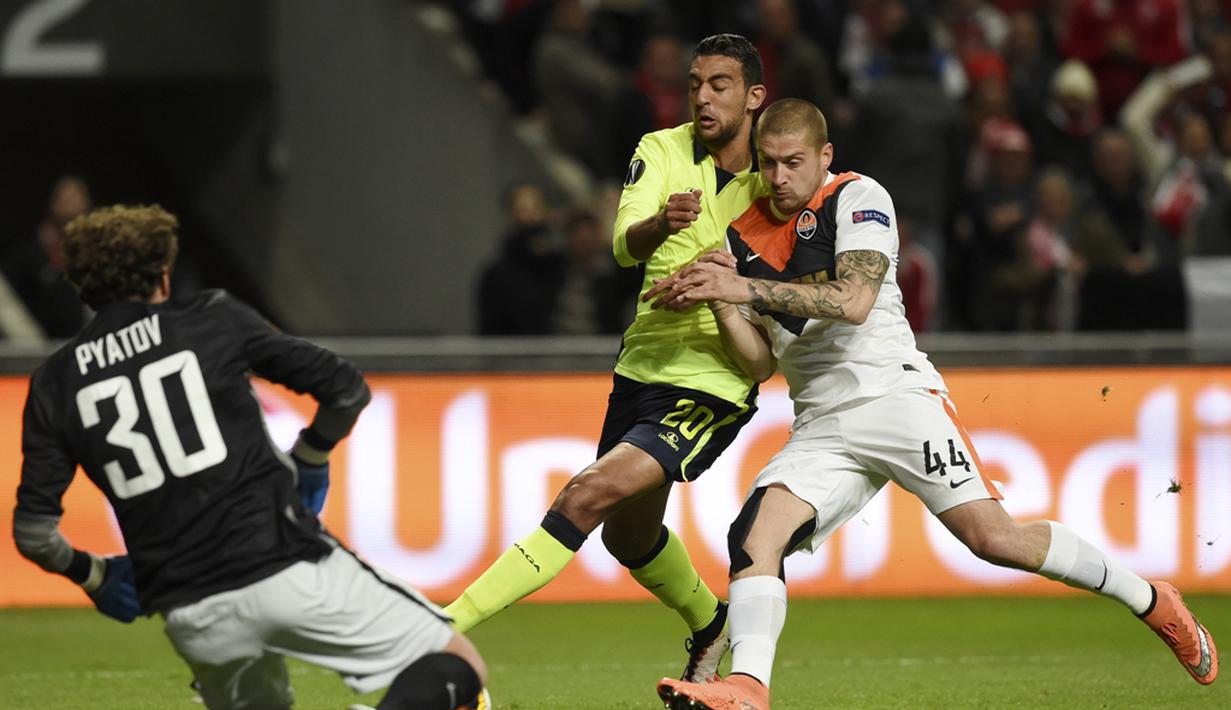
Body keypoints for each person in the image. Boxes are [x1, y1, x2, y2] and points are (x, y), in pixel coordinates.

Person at [650, 99, 1219, 710]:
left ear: (825, 157)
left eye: (794, 162)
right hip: (819, 420)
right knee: (753, 535)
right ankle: (748, 689)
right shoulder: (743, 233)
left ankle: (1153, 600)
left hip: (894, 396)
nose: (781, 176)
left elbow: (856, 300)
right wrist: (720, 300)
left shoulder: (858, 198)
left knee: (994, 539)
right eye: (769, 163)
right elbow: (761, 363)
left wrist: (741, 285)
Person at [12, 205, 489, 710]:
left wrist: (95, 576)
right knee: (455, 663)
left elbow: (35, 534)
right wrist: (308, 459)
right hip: (283, 561)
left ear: (80, 284)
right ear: (163, 274)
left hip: (189, 612)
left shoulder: (54, 383)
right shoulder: (210, 318)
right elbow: (345, 390)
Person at [444, 34, 768, 682]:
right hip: (640, 366)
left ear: (755, 95)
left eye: (720, 85)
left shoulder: (774, 183)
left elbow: (774, 309)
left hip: (709, 382)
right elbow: (624, 244)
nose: (702, 96)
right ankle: (711, 622)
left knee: (583, 496)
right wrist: (661, 227)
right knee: (627, 537)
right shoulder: (661, 148)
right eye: (695, 83)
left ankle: (438, 629)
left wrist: (724, 294)